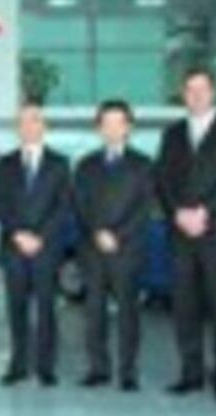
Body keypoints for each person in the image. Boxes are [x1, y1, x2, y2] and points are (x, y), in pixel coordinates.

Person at [155, 68, 216, 401]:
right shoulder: (172, 134)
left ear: (213, 92)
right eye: (190, 89)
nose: (196, 95)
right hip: (181, 233)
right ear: (183, 94)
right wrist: (177, 213)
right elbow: (162, 180)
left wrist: (204, 211)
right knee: (184, 306)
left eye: (202, 89)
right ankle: (191, 373)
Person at [73, 100, 153, 392]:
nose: (112, 129)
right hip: (92, 249)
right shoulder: (85, 165)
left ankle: (128, 371)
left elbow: (144, 208)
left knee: (128, 314)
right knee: (94, 312)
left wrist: (117, 235)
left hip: (127, 250)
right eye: (106, 123)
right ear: (99, 128)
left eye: (118, 123)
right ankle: (98, 368)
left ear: (128, 127)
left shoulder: (143, 165)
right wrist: (98, 232)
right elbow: (79, 204)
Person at [0, 105, 69, 387]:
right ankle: (18, 365)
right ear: (17, 128)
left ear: (43, 126)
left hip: (46, 249)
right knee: (16, 309)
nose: (28, 126)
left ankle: (45, 367)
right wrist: (18, 234)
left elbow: (63, 206)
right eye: (22, 122)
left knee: (46, 308)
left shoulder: (60, 163)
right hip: (14, 248)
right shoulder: (4, 164)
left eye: (34, 121)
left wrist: (40, 237)